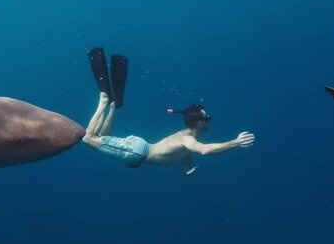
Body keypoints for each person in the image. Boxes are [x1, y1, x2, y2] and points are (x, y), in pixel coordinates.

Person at [82, 47, 255, 174]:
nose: (208, 123)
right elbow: (203, 150)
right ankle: (104, 101)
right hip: (135, 152)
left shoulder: (187, 137)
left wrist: (187, 168)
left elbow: (186, 153)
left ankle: (113, 106)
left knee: (99, 137)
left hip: (137, 151)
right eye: (206, 121)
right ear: (200, 122)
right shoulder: (188, 139)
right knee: (88, 138)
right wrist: (235, 143)